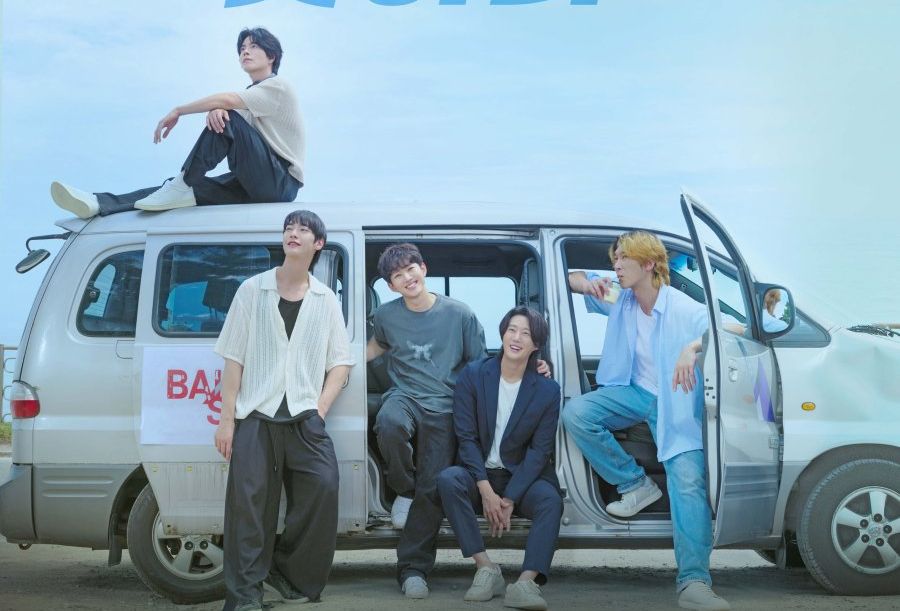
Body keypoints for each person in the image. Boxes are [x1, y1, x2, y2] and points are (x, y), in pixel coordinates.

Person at [561, 230, 731, 611]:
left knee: (688, 480)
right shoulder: (619, 298)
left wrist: (692, 348)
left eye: (624, 257)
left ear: (649, 264)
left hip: (673, 403)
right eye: (615, 258)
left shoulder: (682, 307)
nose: (616, 264)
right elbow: (569, 278)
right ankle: (635, 484)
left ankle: (694, 582)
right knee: (576, 413)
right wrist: (587, 284)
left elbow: (729, 329)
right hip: (632, 392)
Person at [213, 209, 353, 611]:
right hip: (256, 416)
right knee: (249, 508)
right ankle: (244, 597)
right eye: (289, 227)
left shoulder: (326, 300)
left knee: (324, 486)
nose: (294, 232)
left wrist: (320, 409)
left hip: (305, 419)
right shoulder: (251, 290)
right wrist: (226, 421)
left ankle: (288, 572)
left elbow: (340, 363)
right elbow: (234, 358)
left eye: (303, 229)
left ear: (318, 244)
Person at [51, 27, 303, 219]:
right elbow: (230, 107)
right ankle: (98, 203)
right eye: (242, 48)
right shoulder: (251, 97)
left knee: (224, 123)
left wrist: (179, 111)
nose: (245, 51)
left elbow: (228, 102)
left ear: (271, 55)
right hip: (252, 183)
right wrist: (219, 109)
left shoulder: (278, 86)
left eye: (253, 46)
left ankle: (184, 181)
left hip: (280, 183)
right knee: (178, 191)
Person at [366, 242, 488, 599]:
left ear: (423, 268)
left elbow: (481, 366)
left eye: (411, 269)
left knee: (432, 487)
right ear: (390, 286)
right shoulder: (385, 316)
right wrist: (333, 361)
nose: (407, 278)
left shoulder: (460, 314)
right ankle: (403, 489)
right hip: (404, 396)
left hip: (446, 406)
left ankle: (413, 570)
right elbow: (375, 347)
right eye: (397, 275)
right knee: (389, 423)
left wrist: (534, 365)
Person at [437, 306, 562, 611]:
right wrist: (486, 491)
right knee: (448, 480)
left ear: (536, 344)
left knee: (550, 500)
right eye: (512, 330)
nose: (516, 338)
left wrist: (509, 498)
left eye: (526, 334)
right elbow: (466, 437)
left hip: (521, 477)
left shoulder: (547, 390)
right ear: (503, 333)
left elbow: (539, 451)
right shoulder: (474, 375)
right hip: (478, 473)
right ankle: (485, 568)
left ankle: (526, 582)